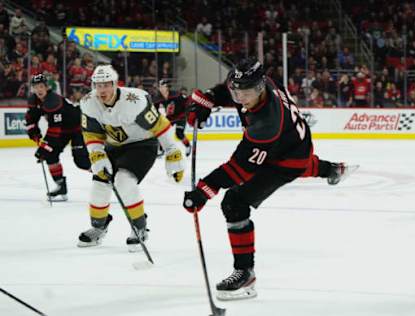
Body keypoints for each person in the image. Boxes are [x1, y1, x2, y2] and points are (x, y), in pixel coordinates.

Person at [183, 57, 357, 300]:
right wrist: (207, 99)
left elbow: (238, 170)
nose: (240, 98)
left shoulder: (266, 124)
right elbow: (227, 89)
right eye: (237, 90)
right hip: (292, 142)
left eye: (246, 92)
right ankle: (334, 170)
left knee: (235, 203)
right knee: (301, 164)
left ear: (260, 87)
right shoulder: (258, 83)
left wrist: (203, 191)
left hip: (289, 155)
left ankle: (245, 274)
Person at [77, 65, 185, 251]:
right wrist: (97, 154)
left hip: (142, 145)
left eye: (106, 85)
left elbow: (159, 125)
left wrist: (172, 151)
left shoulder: (134, 100)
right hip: (113, 147)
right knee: (99, 185)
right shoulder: (88, 102)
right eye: (98, 85)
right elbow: (92, 134)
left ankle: (139, 227)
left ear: (115, 84)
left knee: (124, 182)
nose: (102, 90)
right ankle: (98, 227)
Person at [26, 73, 90, 201]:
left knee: (81, 162)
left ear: (47, 87)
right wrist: (36, 137)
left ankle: (107, 177)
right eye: (35, 87)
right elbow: (30, 120)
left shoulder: (53, 101)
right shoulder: (33, 100)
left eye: (41, 86)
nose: (39, 90)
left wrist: (44, 147)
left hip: (78, 128)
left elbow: (54, 130)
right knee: (50, 155)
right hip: (63, 130)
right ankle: (61, 186)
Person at [156, 79, 191, 157]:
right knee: (161, 130)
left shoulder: (176, 95)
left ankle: (188, 146)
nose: (160, 88)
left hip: (181, 116)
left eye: (162, 86)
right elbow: (154, 107)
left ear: (167, 87)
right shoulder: (159, 97)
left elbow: (187, 102)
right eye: (160, 87)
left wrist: (188, 111)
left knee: (179, 133)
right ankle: (161, 150)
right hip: (170, 118)